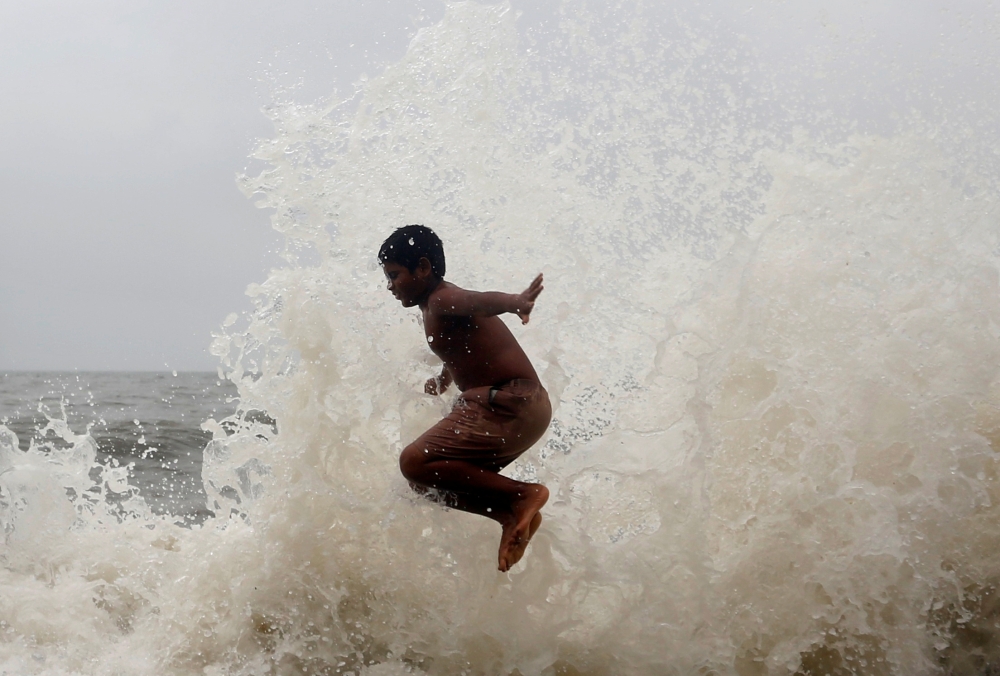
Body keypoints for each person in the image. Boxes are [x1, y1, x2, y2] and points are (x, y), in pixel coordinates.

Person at [378, 225, 552, 572]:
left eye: (395, 275)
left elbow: (479, 302)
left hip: (511, 402)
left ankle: (522, 495)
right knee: (425, 484)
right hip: (524, 409)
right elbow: (462, 350)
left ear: (423, 268)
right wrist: (443, 380)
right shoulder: (431, 308)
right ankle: (508, 514)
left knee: (414, 461)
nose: (389, 286)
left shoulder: (443, 298)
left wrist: (514, 302)